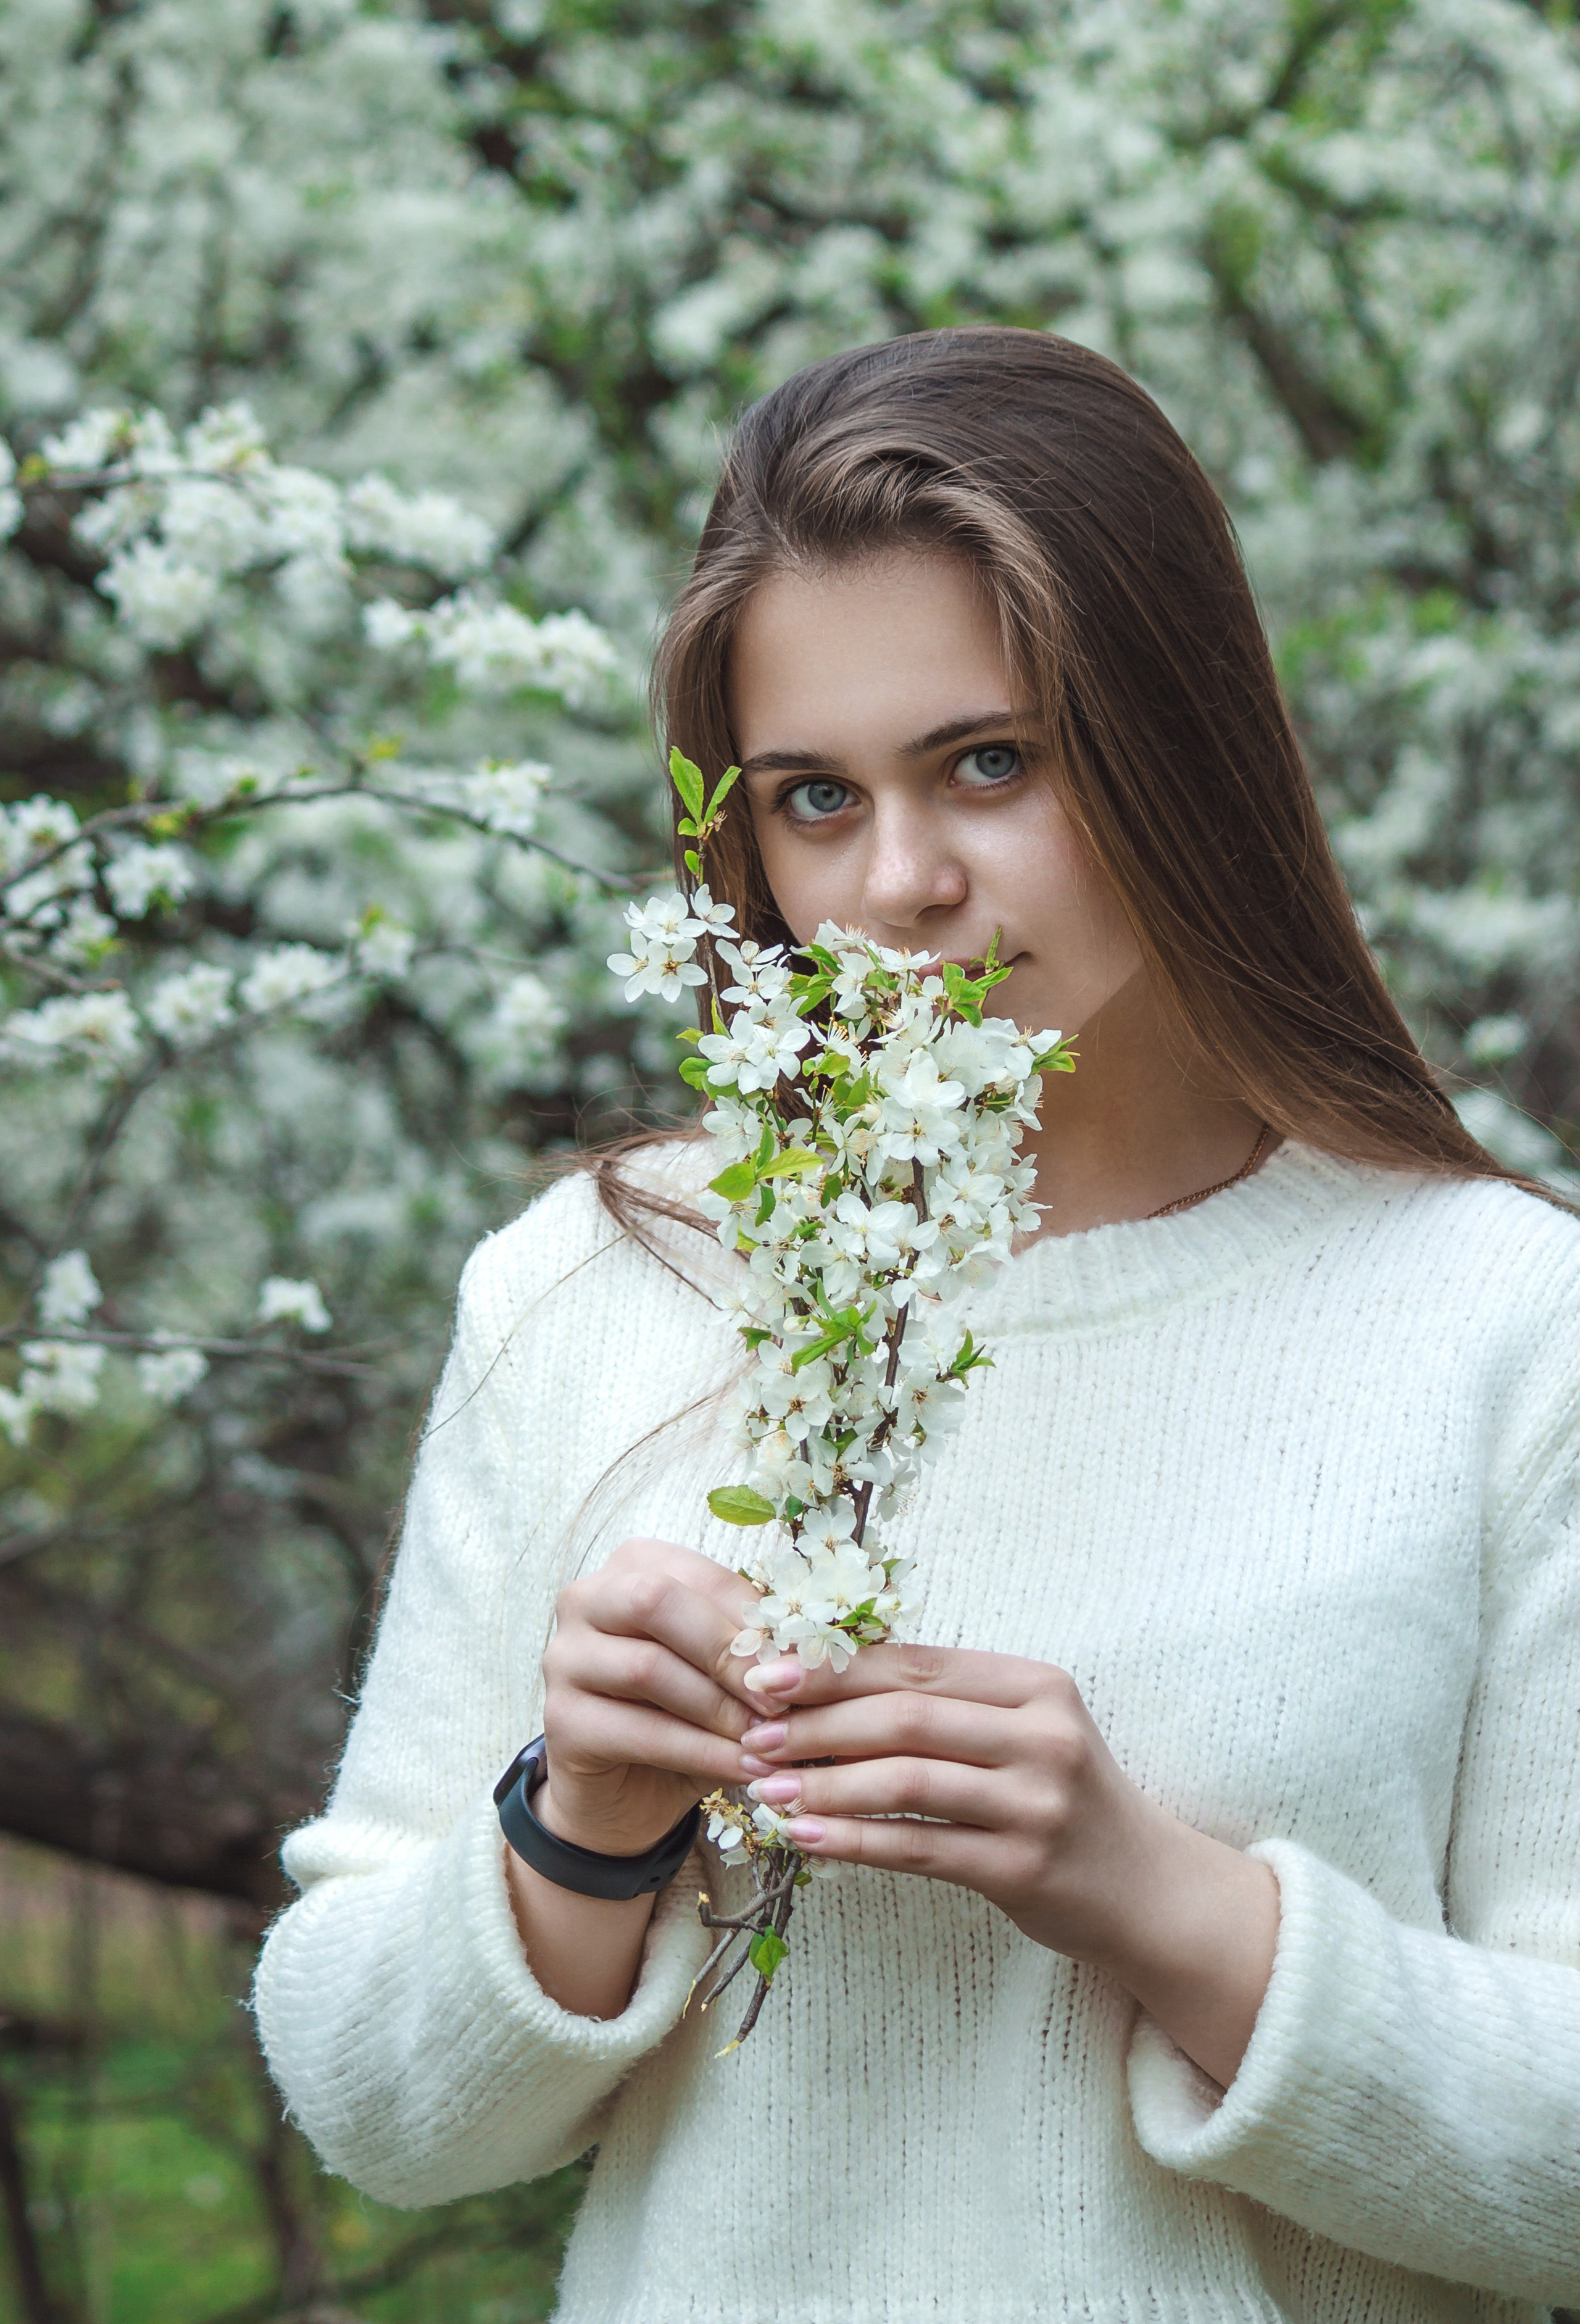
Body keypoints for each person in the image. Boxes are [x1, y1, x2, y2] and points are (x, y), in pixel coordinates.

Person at [254, 328, 1580, 2323]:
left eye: (992, 761)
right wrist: (584, 1828)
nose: (903, 883)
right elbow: (378, 2106)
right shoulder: (606, 1289)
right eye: (811, 798)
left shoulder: (1503, 1325)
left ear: (1173, 740)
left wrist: (1166, 1907)